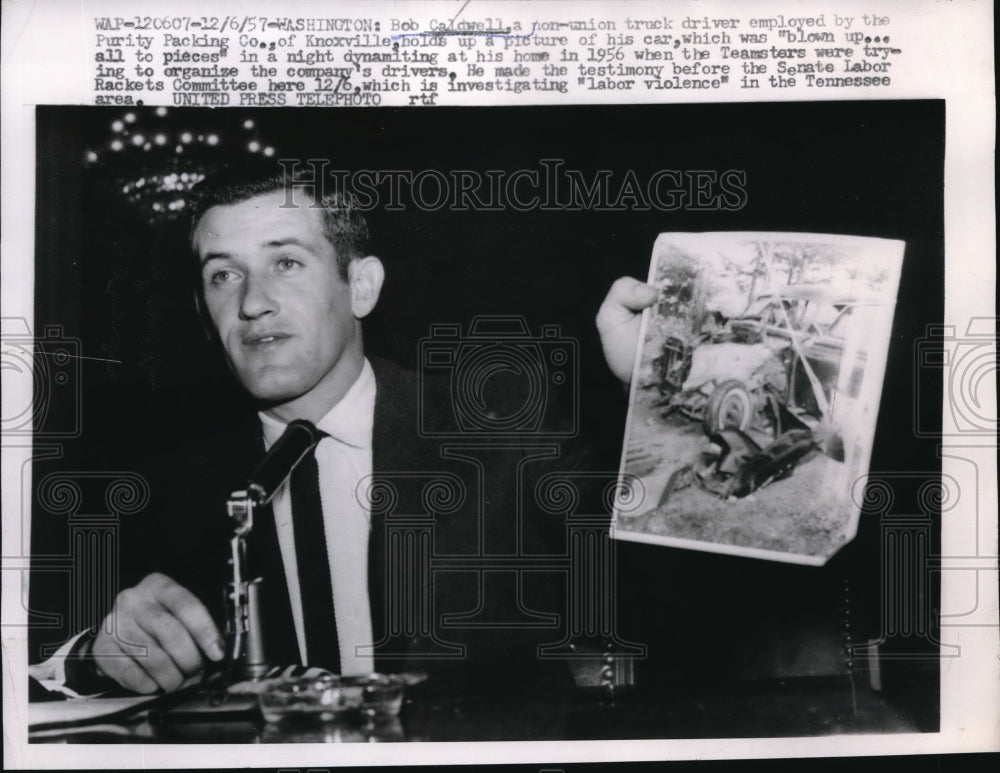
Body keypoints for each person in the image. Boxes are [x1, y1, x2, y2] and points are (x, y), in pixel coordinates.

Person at [31, 160, 659, 697]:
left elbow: (670, 588)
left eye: (286, 262)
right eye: (223, 275)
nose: (251, 303)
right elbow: (31, 664)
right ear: (202, 309)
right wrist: (92, 657)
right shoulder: (170, 487)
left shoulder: (503, 434)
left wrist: (659, 400)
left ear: (361, 286)